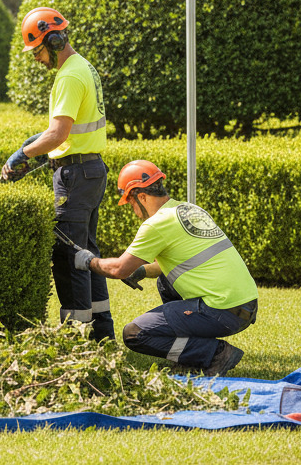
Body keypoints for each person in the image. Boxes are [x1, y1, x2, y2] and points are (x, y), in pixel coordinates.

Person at [74, 160, 258, 376]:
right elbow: (165, 265)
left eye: (131, 203)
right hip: (245, 305)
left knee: (135, 334)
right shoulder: (188, 209)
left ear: (141, 196)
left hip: (222, 311)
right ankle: (195, 354)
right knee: (165, 281)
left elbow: (118, 269)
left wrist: (88, 260)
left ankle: (214, 354)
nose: (133, 210)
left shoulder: (156, 224)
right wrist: (141, 271)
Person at [0, 7, 113, 339]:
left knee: (70, 257)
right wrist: (36, 145)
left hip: (75, 175)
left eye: (37, 50)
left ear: (54, 39)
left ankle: (76, 337)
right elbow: (66, 131)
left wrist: (22, 154)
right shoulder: (84, 68)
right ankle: (102, 333)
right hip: (89, 170)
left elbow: (58, 135)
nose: (37, 59)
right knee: (88, 254)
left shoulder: (69, 76)